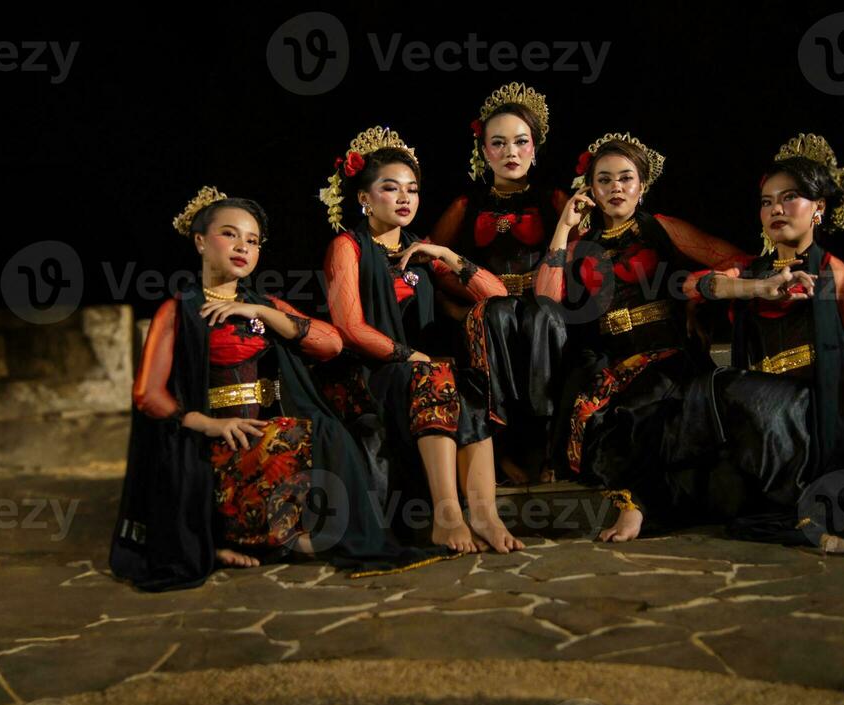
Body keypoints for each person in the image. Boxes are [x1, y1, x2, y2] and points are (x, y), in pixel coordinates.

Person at [109, 188, 445, 592]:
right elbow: (148, 394)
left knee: (325, 429)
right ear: (200, 241)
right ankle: (220, 541)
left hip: (263, 430)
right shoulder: (179, 309)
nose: (242, 247)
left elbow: (331, 343)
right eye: (229, 235)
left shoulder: (263, 305)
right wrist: (208, 425)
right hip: (208, 441)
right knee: (282, 441)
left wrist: (262, 312)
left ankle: (279, 537)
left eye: (252, 241)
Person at [697, 134, 844, 556]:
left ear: (819, 209)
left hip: (816, 406)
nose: (775, 209)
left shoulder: (837, 275)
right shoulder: (748, 271)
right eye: (766, 201)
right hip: (766, 410)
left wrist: (841, 383)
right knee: (721, 387)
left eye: (790, 198)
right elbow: (699, 285)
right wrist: (760, 287)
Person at [534, 133, 752, 542]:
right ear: (590, 189)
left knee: (639, 410)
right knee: (592, 413)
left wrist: (698, 289)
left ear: (642, 185)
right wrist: (564, 227)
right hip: (614, 357)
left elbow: (735, 259)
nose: (616, 188)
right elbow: (547, 296)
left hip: (666, 350)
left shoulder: (660, 228)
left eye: (625, 178)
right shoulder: (583, 244)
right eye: (604, 180)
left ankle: (636, 507)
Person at [317, 127, 524, 554]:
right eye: (390, 188)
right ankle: (446, 516)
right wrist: (410, 355)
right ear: (364, 198)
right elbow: (350, 327)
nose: (404, 198)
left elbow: (498, 297)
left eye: (412, 189)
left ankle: (484, 514)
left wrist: (446, 255)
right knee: (437, 377)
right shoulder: (347, 246)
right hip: (371, 371)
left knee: (469, 386)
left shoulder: (420, 249)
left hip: (424, 370)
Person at [426, 82, 571, 484]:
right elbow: (432, 260)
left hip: (544, 306)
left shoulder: (553, 198)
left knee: (542, 316)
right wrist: (455, 303)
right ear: (484, 150)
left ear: (535, 148)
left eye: (521, 142)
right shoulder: (465, 205)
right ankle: (504, 446)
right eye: (499, 143)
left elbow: (581, 260)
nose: (511, 152)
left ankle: (545, 446)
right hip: (490, 309)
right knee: (497, 311)